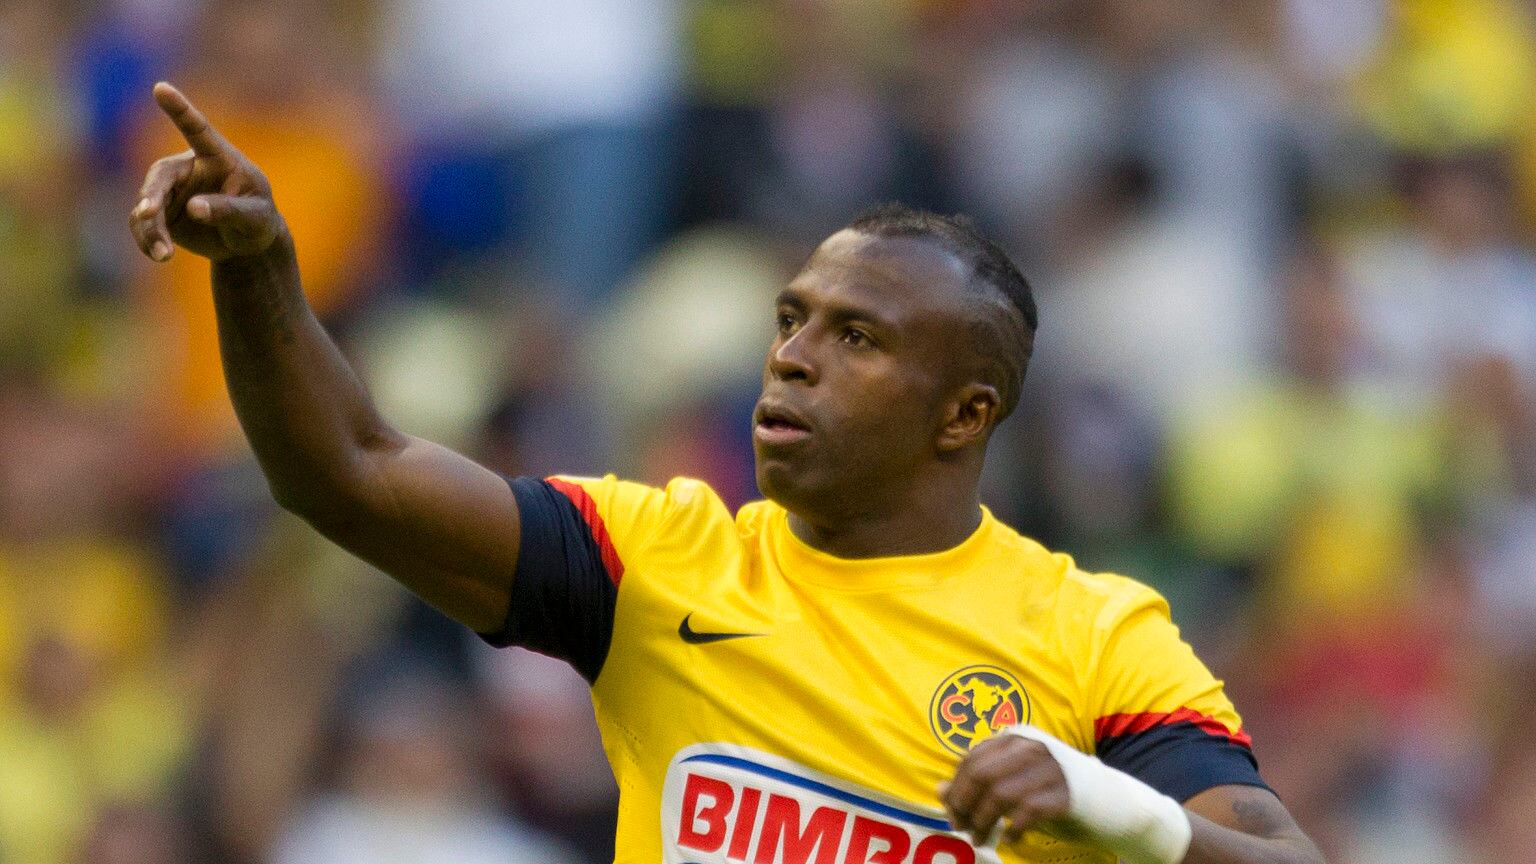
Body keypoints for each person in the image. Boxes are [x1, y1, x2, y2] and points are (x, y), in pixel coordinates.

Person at [128, 83, 1325, 864]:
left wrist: (1104, 804)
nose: (793, 359)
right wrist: (258, 267)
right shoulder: (658, 559)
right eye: (792, 320)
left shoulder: (1095, 635)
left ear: (965, 414)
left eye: (855, 339)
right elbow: (347, 469)